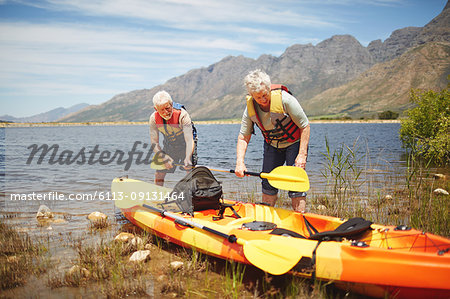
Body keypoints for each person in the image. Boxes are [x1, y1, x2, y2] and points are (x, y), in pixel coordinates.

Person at [234, 69, 310, 213]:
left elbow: (305, 126)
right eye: (258, 97)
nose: (263, 100)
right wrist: (240, 162)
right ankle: (267, 219)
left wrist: (302, 155)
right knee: (267, 182)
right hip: (272, 146)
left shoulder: (285, 99)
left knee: (295, 183)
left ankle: (300, 219)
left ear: (269, 88)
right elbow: (243, 137)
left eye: (265, 95)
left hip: (294, 144)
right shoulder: (250, 109)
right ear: (251, 96)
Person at [149, 90, 196, 186]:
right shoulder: (153, 119)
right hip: (170, 143)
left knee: (189, 171)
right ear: (155, 108)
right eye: (161, 110)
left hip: (186, 143)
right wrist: (164, 157)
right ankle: (158, 196)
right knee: (159, 173)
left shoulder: (183, 115)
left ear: (171, 104)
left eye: (167, 108)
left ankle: (191, 196)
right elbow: (154, 143)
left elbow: (189, 140)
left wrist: (187, 158)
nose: (166, 112)